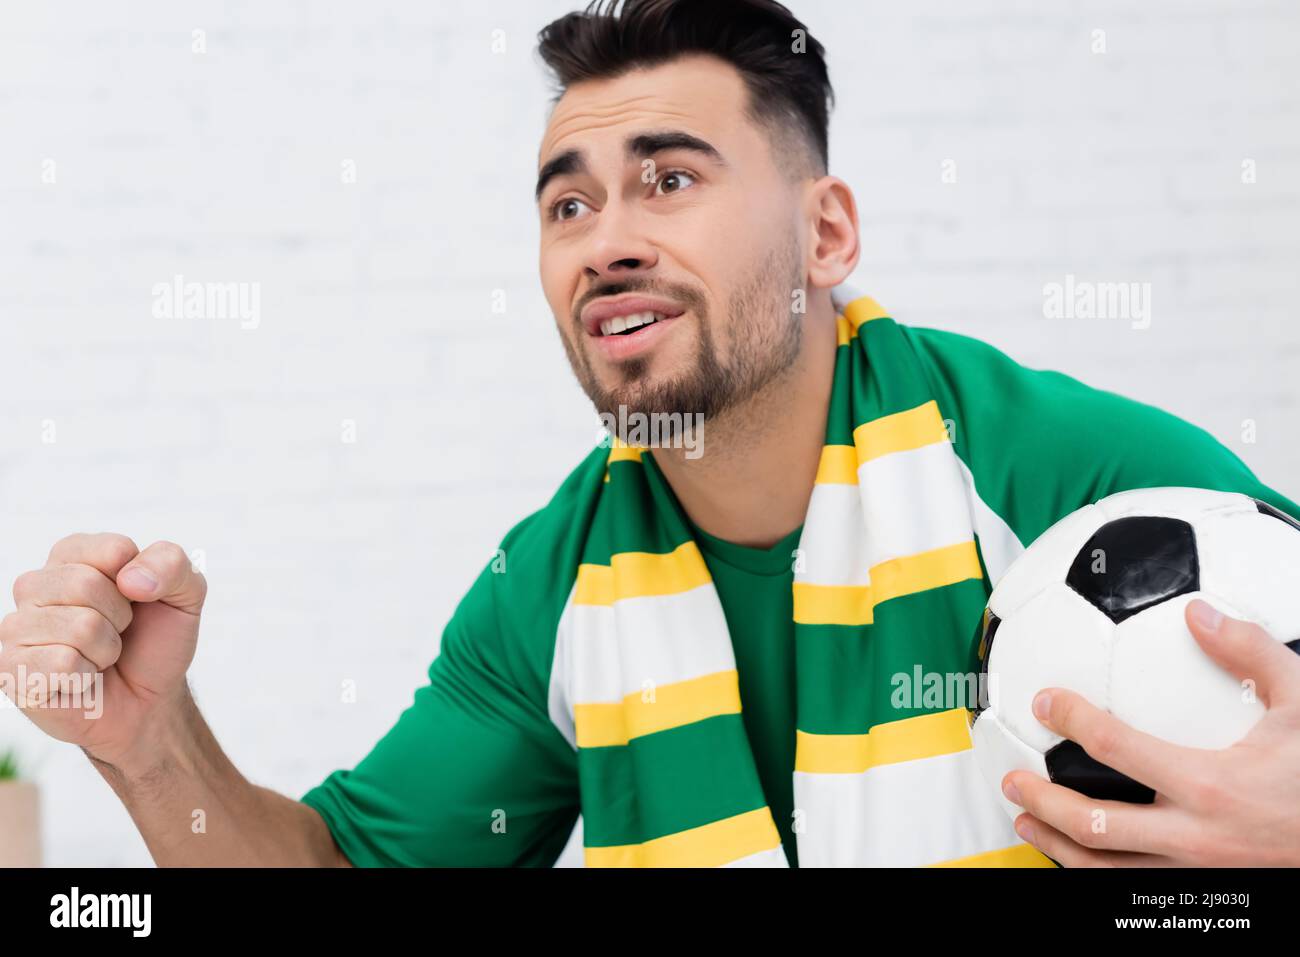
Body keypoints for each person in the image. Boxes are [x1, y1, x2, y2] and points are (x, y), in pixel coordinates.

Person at [3, 0, 1299, 868]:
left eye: (670, 181)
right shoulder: (551, 585)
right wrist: (149, 741)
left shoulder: (1058, 473)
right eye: (568, 203)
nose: (607, 236)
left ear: (826, 236)